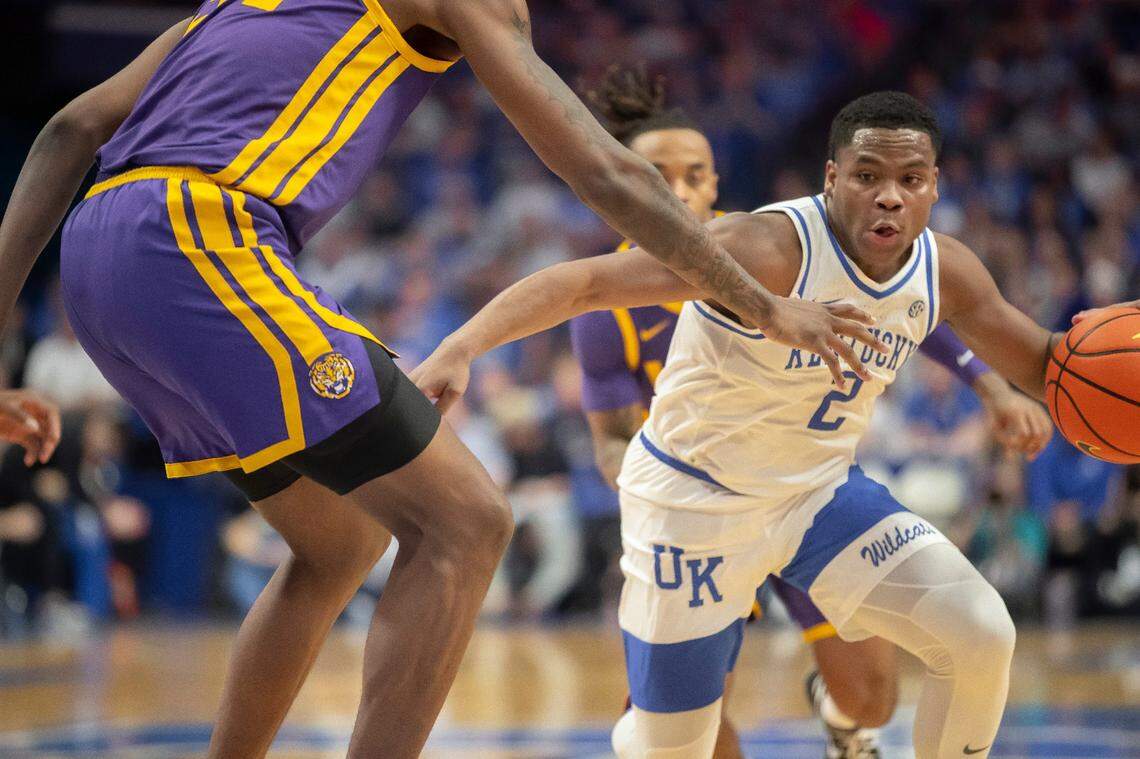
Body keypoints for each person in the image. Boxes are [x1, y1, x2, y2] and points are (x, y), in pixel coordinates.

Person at [0, 2, 888, 757]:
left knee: (338, 545)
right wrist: (761, 303)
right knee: (465, 522)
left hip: (96, 256)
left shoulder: (233, 6)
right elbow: (605, 170)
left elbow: (69, 130)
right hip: (198, 234)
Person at [412, 91, 1130, 758]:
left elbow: (1048, 363)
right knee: (677, 744)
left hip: (815, 494)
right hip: (692, 502)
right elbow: (587, 283)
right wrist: (459, 346)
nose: (889, 193)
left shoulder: (948, 270)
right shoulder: (766, 247)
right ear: (832, 178)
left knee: (980, 631)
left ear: (934, 187)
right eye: (867, 174)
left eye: (911, 178)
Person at [568, 68, 1053, 758]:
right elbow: (611, 439)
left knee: (875, 695)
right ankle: (649, 724)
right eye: (658, 174)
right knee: (689, 737)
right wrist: (650, 498)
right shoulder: (612, 308)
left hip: (804, 495)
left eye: (695, 173)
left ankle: (840, 720)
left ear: (712, 185)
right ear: (629, 191)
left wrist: (992, 385)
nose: (678, 189)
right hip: (697, 509)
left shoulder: (768, 251)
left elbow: (912, 307)